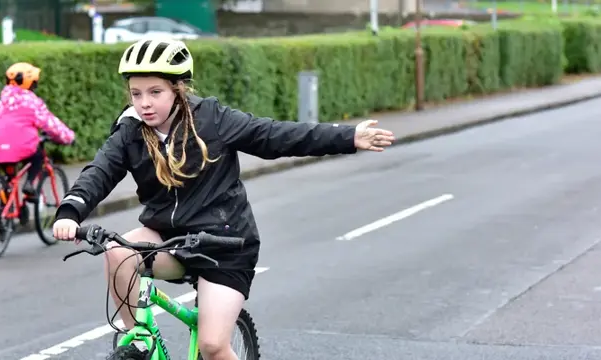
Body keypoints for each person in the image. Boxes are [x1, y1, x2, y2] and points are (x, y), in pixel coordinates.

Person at [52, 38, 395, 360]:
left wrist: (348, 136)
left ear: (177, 89)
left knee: (214, 346)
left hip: (224, 244)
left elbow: (276, 136)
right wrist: (70, 211)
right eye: (136, 93)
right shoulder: (130, 130)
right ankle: (139, 339)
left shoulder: (213, 120)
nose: (144, 102)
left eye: (155, 92)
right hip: (168, 239)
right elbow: (99, 171)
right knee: (117, 251)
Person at [0, 62, 76, 199]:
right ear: (29, 83)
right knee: (38, 156)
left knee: (10, 179)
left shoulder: (2, 101)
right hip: (22, 146)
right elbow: (51, 123)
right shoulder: (32, 102)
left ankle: (4, 207)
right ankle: (29, 184)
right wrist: (68, 137)